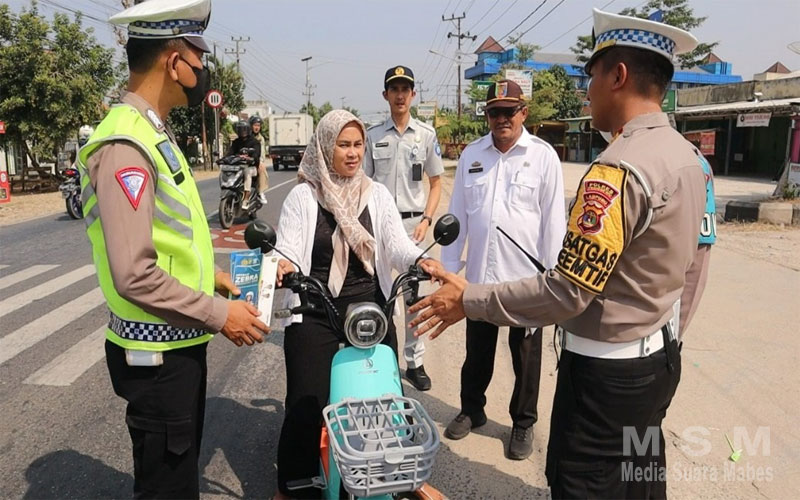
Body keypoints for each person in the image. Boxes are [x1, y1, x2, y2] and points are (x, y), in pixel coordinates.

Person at [409, 8, 709, 498]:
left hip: (606, 379)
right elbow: (696, 262)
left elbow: (569, 289)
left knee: (582, 486)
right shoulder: (689, 158)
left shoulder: (617, 171)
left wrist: (469, 301)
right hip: (657, 361)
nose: (586, 90)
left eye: (590, 75)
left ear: (618, 75)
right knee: (640, 486)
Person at [77, 0, 268, 497]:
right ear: (173, 61)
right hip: (155, 355)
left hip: (173, 345)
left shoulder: (152, 132)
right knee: (168, 489)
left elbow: (168, 238)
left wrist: (211, 279)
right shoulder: (125, 144)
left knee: (177, 480)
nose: (203, 70)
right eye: (198, 57)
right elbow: (134, 273)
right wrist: (218, 312)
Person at [271, 109, 437, 499]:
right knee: (306, 399)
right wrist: (283, 264)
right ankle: (293, 482)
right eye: (343, 144)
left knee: (388, 399)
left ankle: (395, 471)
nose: (351, 153)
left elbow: (396, 243)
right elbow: (291, 247)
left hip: (367, 307)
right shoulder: (303, 195)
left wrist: (419, 261)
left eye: (357, 144)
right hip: (314, 306)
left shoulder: (375, 194)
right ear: (325, 147)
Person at [440, 79, 566, 460]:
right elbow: (457, 214)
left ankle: (523, 423)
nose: (501, 119)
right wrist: (451, 273)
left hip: (526, 282)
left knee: (526, 358)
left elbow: (553, 223)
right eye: (494, 112)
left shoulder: (543, 156)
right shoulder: (471, 156)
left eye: (509, 112)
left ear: (523, 113)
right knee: (477, 351)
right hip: (479, 276)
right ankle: (472, 409)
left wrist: (553, 281)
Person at [363, 65, 444, 391]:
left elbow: (436, 183)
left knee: (414, 298)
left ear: (413, 94)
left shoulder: (426, 135)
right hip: (380, 225)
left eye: (405, 89)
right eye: (393, 89)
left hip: (413, 226)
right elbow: (363, 184)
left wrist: (426, 219)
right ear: (385, 95)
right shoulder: (372, 136)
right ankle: (383, 358)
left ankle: (415, 362)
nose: (399, 95)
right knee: (379, 294)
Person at [226, 120, 262, 209]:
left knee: (247, 171)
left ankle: (246, 198)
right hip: (238, 167)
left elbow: (256, 154)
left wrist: (252, 158)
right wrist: (222, 159)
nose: (242, 132)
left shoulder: (254, 142)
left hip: (251, 168)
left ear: (248, 130)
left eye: (244, 129)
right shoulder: (236, 142)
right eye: (240, 130)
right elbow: (230, 153)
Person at [249, 115, 270, 204]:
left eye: (258, 125)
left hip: (256, 162)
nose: (257, 127)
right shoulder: (246, 136)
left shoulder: (261, 139)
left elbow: (262, 154)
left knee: (262, 169)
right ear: (251, 126)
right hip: (245, 161)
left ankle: (260, 192)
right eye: (255, 125)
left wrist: (260, 162)